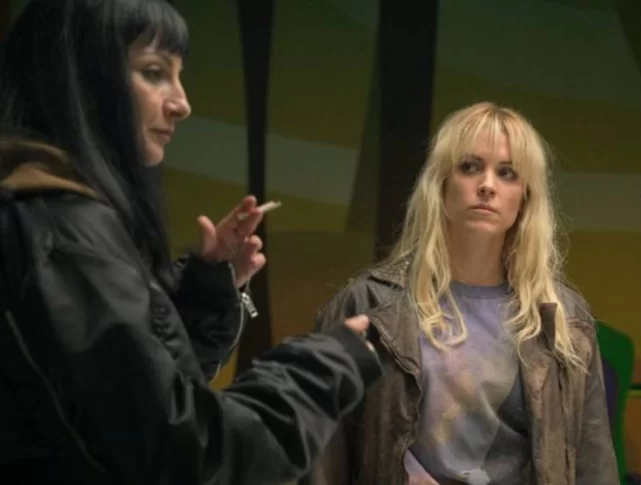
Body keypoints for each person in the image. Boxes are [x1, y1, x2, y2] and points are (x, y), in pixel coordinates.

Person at [0, 1, 380, 484]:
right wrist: (324, 365)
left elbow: (124, 403)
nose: (182, 103)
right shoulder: (66, 231)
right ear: (80, 77)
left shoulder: (49, 217)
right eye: (153, 72)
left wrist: (204, 292)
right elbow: (186, 455)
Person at [304, 102, 619, 485]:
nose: (487, 185)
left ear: (525, 197)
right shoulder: (367, 306)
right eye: (469, 167)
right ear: (441, 184)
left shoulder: (563, 318)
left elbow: (593, 464)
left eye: (507, 173)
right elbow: (322, 462)